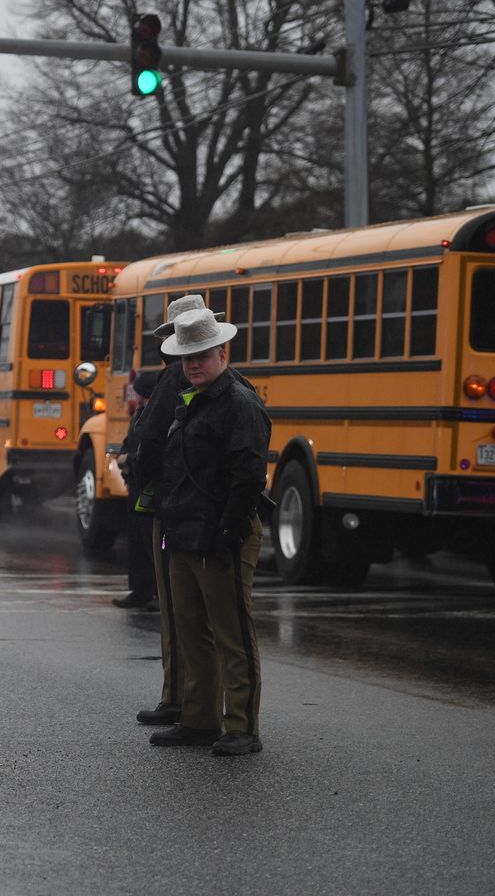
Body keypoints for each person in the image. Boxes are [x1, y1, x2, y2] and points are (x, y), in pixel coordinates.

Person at [147, 308, 271, 757]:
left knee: (232, 633)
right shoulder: (193, 397)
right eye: (187, 357)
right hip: (186, 531)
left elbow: (249, 474)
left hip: (221, 534)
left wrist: (228, 530)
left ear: (222, 352)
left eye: (201, 355)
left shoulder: (239, 402)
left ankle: (242, 726)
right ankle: (199, 720)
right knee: (192, 630)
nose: (193, 364)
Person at [129, 295, 234, 728]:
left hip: (174, 505)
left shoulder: (175, 378)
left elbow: (151, 442)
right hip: (193, 505)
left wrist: (141, 476)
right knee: (194, 616)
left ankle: (180, 698)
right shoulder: (212, 382)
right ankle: (193, 702)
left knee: (179, 613)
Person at [114, 369, 161, 610]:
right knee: (137, 540)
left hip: (151, 487)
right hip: (136, 484)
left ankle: (160, 593)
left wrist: (128, 459)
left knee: (152, 540)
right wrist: (124, 454)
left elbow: (152, 451)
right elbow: (130, 439)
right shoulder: (141, 413)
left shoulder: (159, 415)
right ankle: (140, 590)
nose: (139, 398)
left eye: (142, 393)